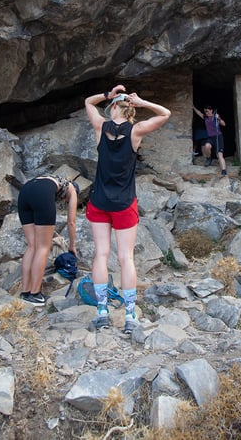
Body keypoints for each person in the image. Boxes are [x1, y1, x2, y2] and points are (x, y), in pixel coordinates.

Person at [85, 84, 171, 333]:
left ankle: (102, 310)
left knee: (101, 254)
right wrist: (142, 102)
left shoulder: (101, 127)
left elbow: (89, 103)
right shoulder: (135, 132)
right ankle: (130, 315)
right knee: (126, 258)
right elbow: (165, 113)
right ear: (130, 110)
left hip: (99, 201)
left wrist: (106, 95)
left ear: (113, 108)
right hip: (124, 203)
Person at [17, 175, 79, 306]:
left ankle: (25, 292)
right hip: (41, 194)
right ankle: (35, 294)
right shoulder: (72, 189)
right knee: (43, 247)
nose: (65, 201)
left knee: (32, 246)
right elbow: (71, 222)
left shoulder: (53, 179)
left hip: (25, 191)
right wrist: (72, 246)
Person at [193, 104, 227, 175]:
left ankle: (223, 171)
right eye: (205, 111)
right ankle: (209, 158)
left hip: (218, 137)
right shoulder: (205, 117)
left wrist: (219, 118)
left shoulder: (215, 117)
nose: (206, 113)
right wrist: (193, 107)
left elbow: (223, 124)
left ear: (211, 110)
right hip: (211, 137)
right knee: (206, 146)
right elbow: (199, 112)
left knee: (219, 155)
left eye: (208, 111)